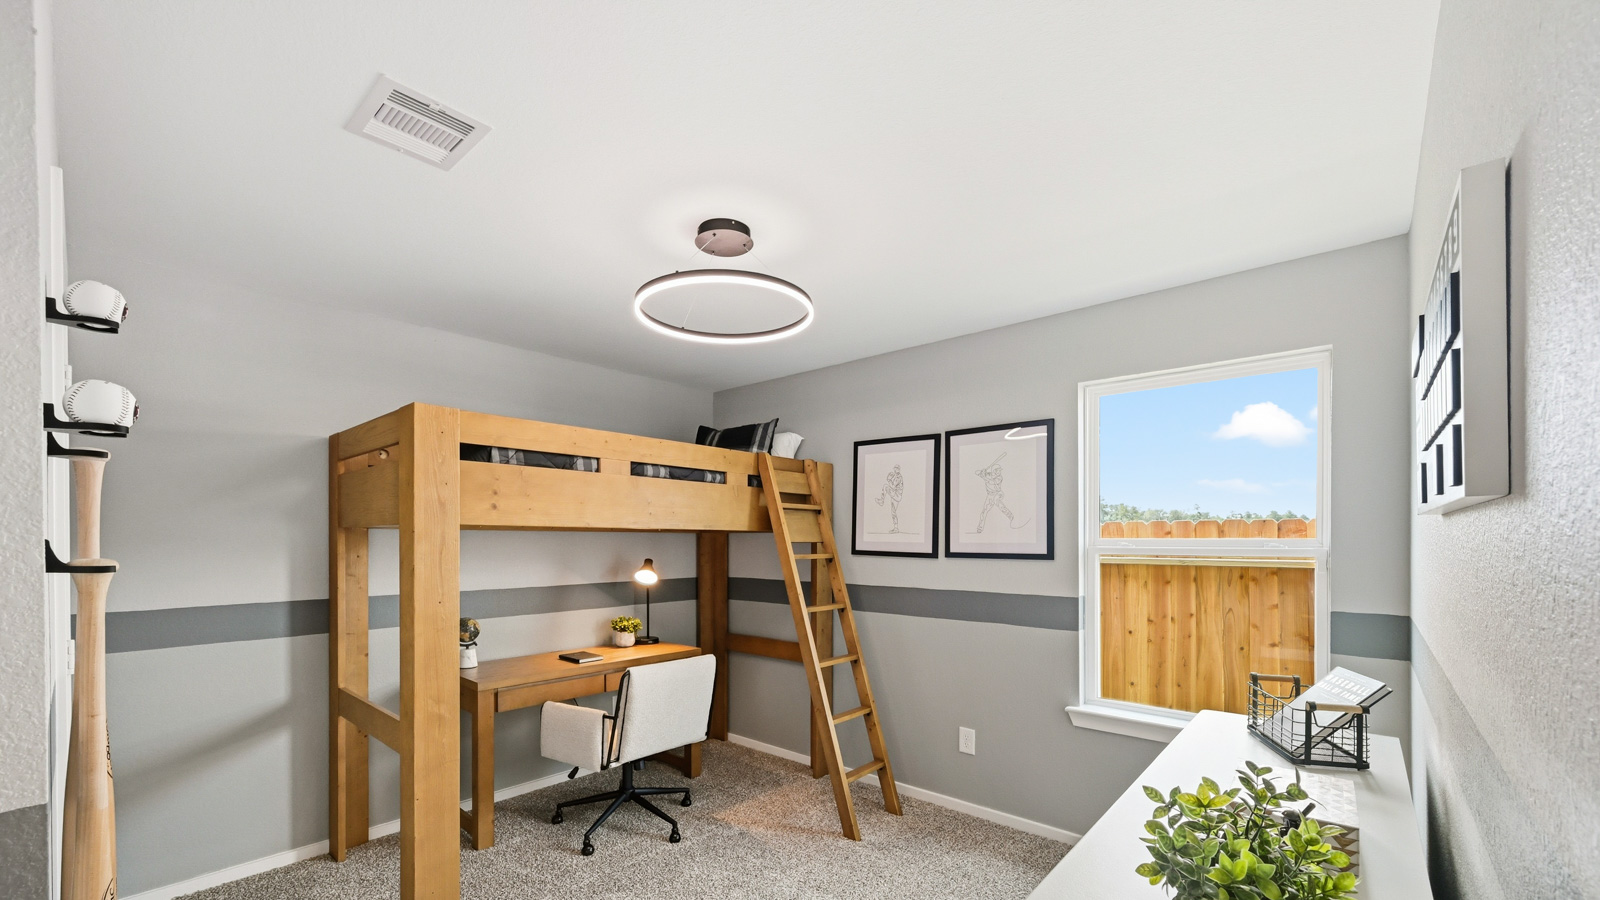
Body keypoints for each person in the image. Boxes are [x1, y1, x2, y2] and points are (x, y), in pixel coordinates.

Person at [975, 454, 1014, 532]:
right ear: (994, 471)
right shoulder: (989, 474)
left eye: (1000, 470)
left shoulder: (999, 477)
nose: (1000, 471)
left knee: (998, 502)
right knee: (984, 511)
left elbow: (991, 481)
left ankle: (1011, 517)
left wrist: (983, 476)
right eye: (998, 470)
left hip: (998, 494)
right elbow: (976, 472)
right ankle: (980, 528)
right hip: (990, 495)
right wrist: (982, 471)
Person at [875, 464, 905, 533]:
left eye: (896, 468)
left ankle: (882, 501)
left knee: (885, 486)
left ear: (898, 469)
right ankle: (896, 528)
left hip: (896, 495)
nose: (895, 470)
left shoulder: (899, 477)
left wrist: (889, 480)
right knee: (893, 512)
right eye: (894, 468)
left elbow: (893, 486)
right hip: (895, 496)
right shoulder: (896, 476)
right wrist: (890, 478)